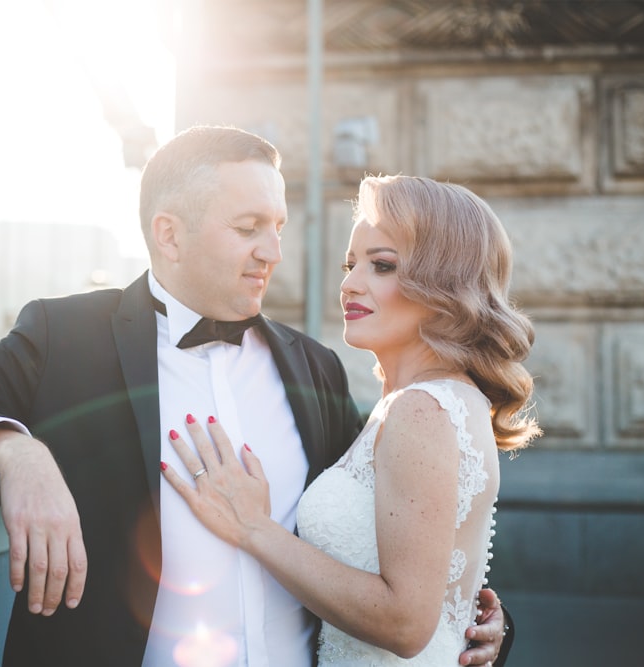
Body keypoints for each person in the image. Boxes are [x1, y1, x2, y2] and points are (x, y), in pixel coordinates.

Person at [0, 128, 509, 666]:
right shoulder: (67, 338)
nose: (273, 252)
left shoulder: (316, 367)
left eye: (278, 226)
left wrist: (480, 622)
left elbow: (397, 533)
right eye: (250, 226)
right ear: (168, 234)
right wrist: (15, 449)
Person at [162, 174, 540, 665]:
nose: (349, 283)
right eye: (351, 263)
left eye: (381, 265)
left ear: (444, 282)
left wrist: (254, 528)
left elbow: (405, 623)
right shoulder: (417, 402)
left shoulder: (421, 409)